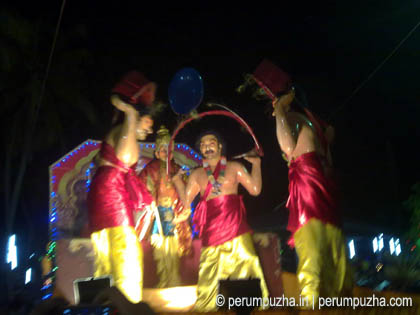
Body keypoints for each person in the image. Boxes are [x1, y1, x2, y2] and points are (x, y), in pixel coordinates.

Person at [258, 60, 352, 307]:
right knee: (332, 252)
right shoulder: (312, 122)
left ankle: (313, 305)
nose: (271, 107)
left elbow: (288, 148)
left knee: (312, 250)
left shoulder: (296, 118)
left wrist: (279, 113)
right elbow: (328, 163)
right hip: (323, 188)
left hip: (310, 186)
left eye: (272, 101)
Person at [176, 130, 268, 312]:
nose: (206, 146)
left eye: (211, 142)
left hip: (236, 228)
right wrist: (178, 181)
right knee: (209, 273)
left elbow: (255, 190)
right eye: (202, 144)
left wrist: (256, 165)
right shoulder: (197, 174)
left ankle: (253, 308)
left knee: (247, 264)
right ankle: (207, 309)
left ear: (219, 146)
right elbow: (186, 202)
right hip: (211, 232)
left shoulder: (234, 167)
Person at [87, 71, 156, 303]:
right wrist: (130, 112)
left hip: (104, 191)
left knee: (108, 257)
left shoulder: (118, 133)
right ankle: (127, 305)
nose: (151, 128)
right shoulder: (123, 131)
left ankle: (109, 305)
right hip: (110, 193)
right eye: (148, 121)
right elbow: (126, 159)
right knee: (127, 253)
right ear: (138, 116)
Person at [136, 125, 192, 288]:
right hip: (157, 212)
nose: (165, 153)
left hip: (173, 214)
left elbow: (186, 191)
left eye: (168, 150)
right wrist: (150, 200)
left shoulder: (177, 169)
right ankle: (164, 278)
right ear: (156, 152)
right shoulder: (151, 169)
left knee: (173, 248)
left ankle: (173, 277)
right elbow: (141, 185)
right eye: (162, 149)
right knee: (159, 248)